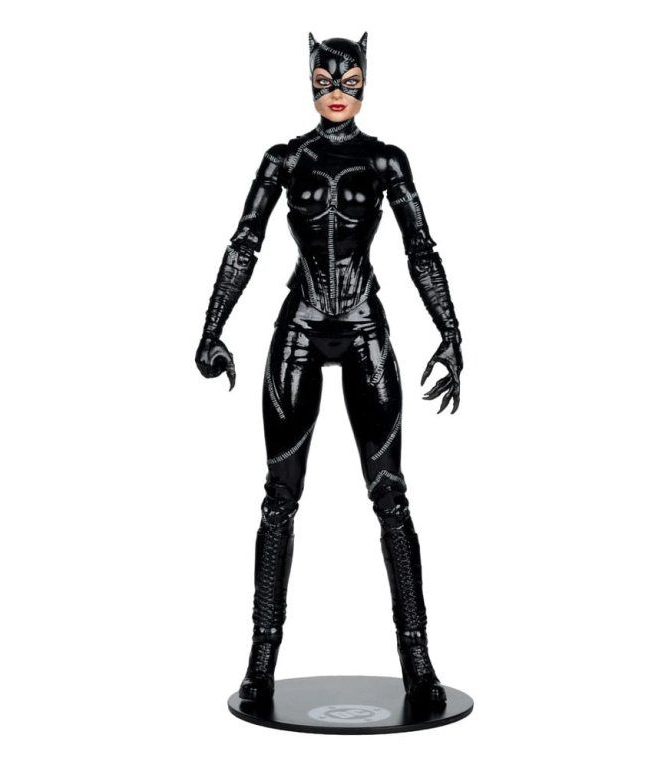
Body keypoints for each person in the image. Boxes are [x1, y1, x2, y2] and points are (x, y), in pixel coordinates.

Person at [195, 32, 463, 706]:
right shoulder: (285, 159)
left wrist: (451, 330)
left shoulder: (385, 160)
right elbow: (244, 243)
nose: (337, 92)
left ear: (366, 82)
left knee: (391, 495)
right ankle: (260, 663)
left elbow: (421, 249)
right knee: (279, 498)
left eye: (348, 80)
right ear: (309, 82)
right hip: (302, 327)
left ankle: (418, 662)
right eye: (324, 80)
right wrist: (212, 327)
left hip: (366, 324)